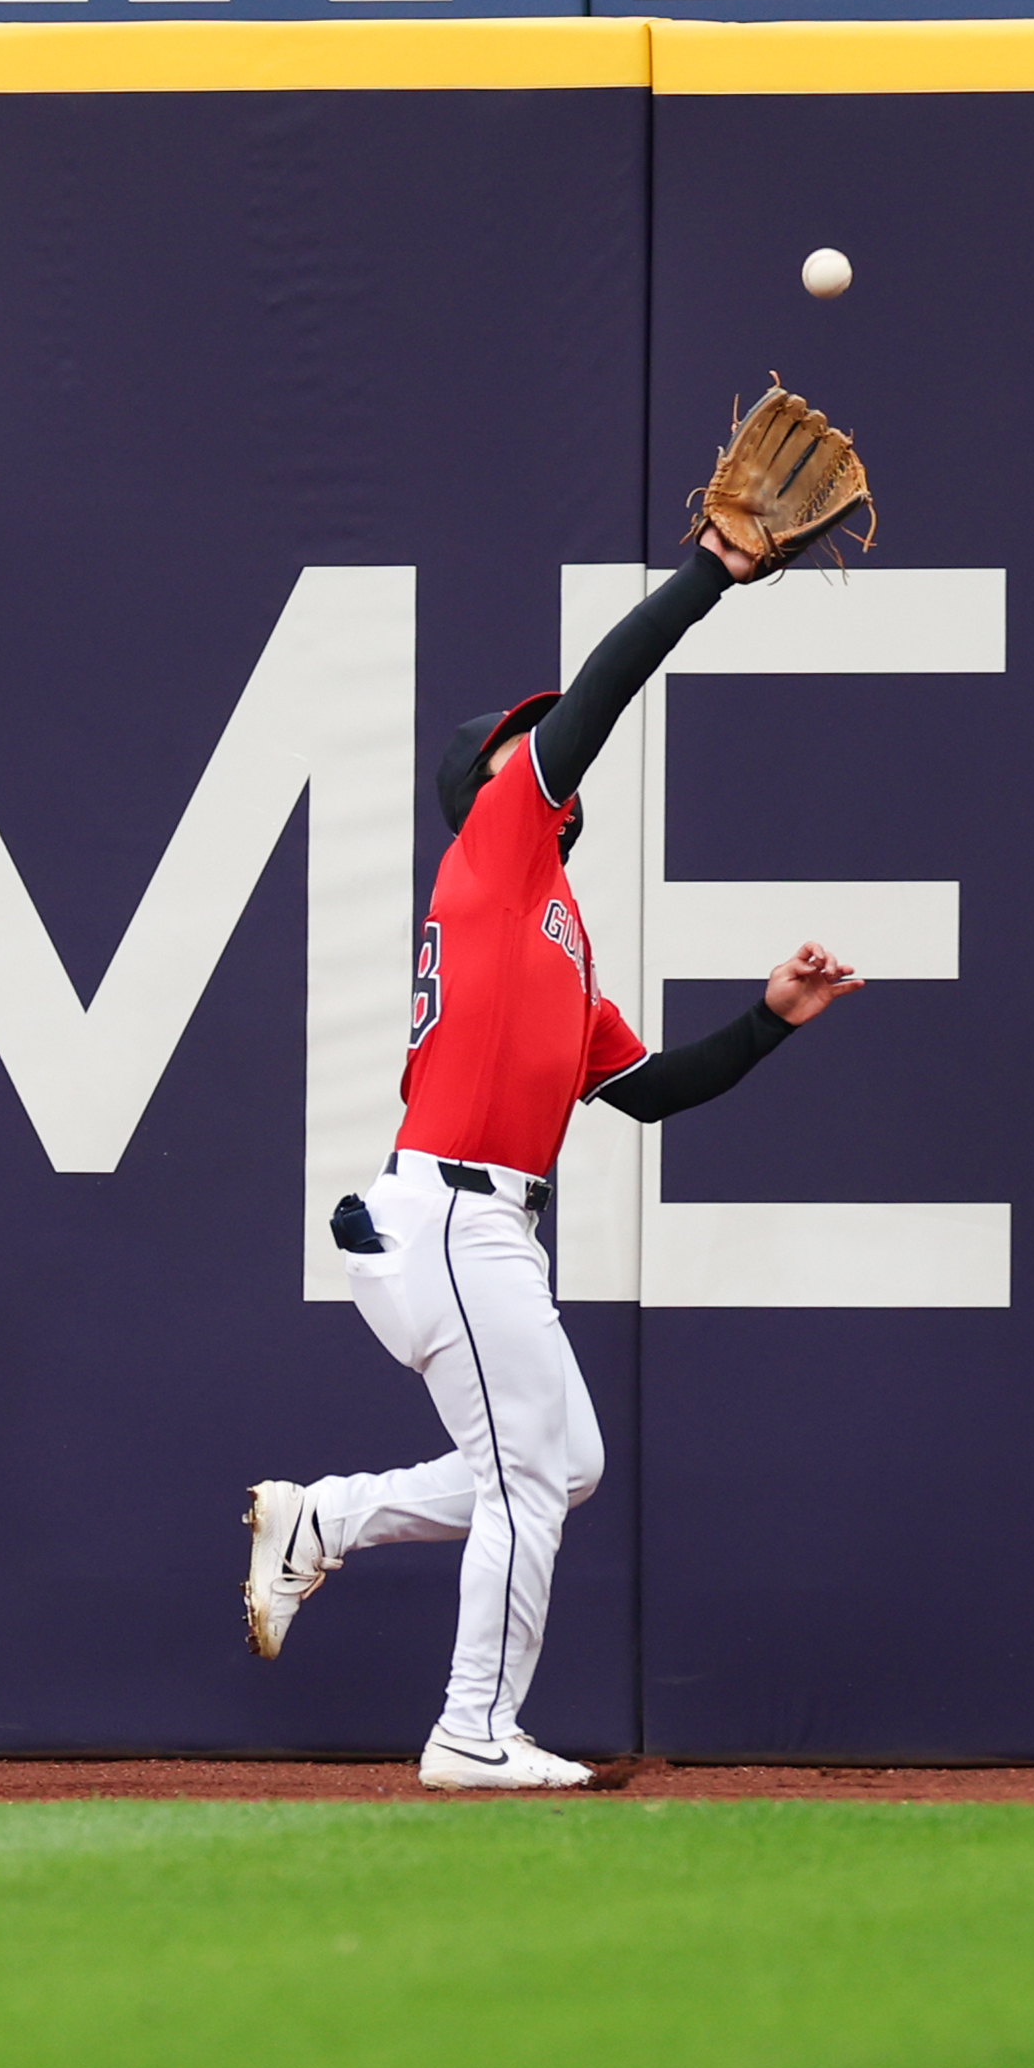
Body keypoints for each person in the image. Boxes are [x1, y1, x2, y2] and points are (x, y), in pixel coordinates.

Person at [240, 524, 862, 1791]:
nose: (543, 760)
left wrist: (766, 1022)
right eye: (520, 753)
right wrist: (707, 578)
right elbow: (600, 697)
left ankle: (327, 1517)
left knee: (559, 1470)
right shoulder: (492, 852)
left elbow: (647, 1091)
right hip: (448, 1221)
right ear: (493, 788)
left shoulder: (551, 934)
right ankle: (470, 1730)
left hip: (482, 1230)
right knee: (530, 1475)